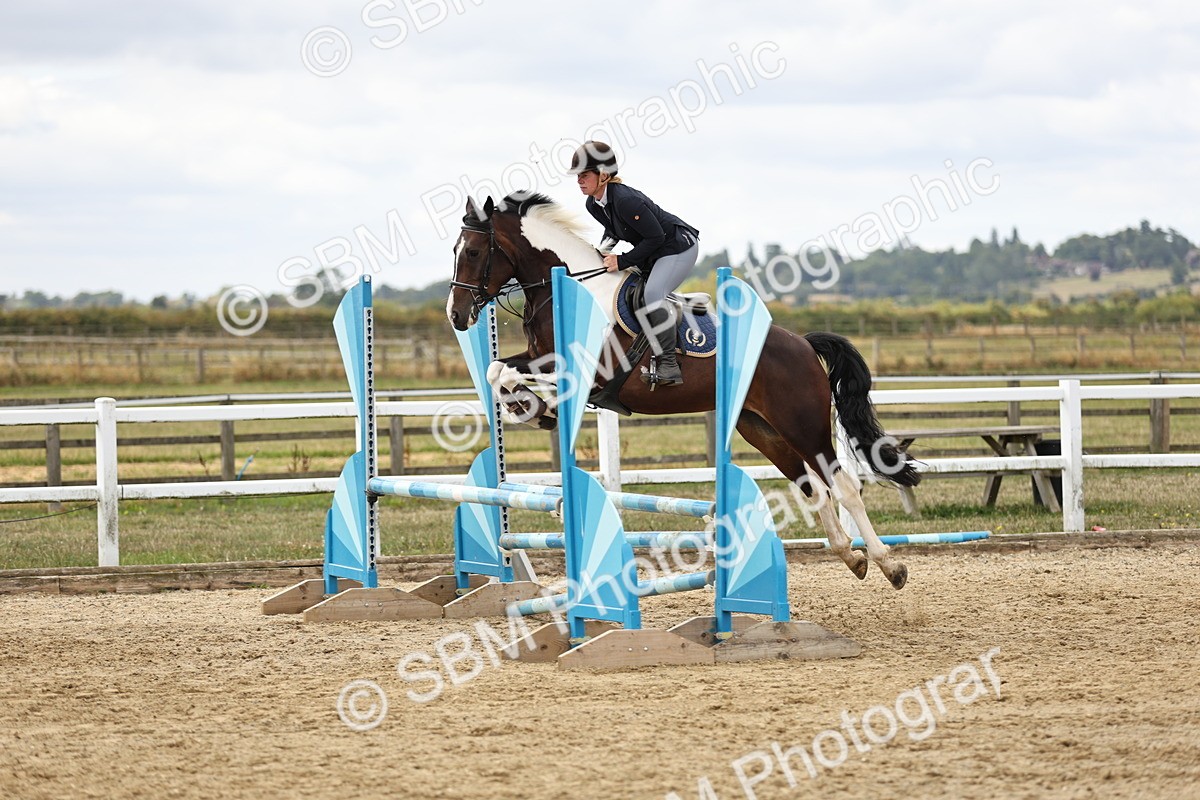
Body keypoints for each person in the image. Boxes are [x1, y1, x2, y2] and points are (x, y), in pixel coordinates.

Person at [568, 141, 700, 387]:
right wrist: (598, 255)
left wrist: (622, 261)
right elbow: (613, 231)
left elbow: (656, 237)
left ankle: (669, 365)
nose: (579, 181)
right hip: (654, 251)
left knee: (652, 294)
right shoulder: (593, 204)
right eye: (577, 176)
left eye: (584, 175)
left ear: (603, 175)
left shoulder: (626, 200)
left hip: (678, 247)